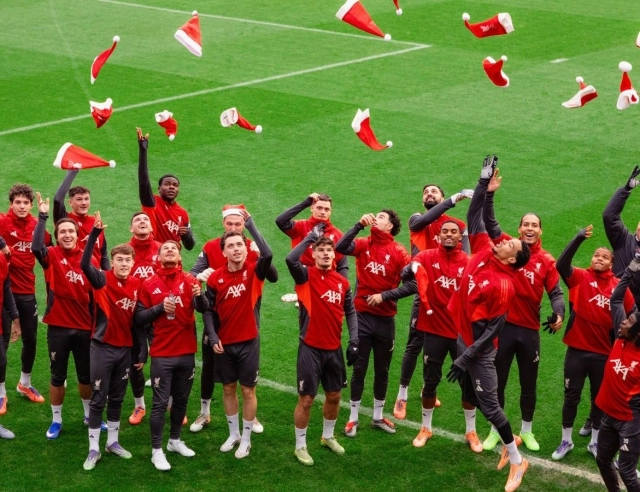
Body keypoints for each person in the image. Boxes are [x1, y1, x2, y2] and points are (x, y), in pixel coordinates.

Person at [446, 156, 531, 492]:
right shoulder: (485, 249)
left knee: (491, 408)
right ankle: (512, 446)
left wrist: (466, 356)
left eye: (511, 243)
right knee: (479, 401)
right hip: (463, 338)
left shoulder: (503, 284)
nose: (505, 239)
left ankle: (517, 460)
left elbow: (494, 329)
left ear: (512, 259)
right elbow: (474, 216)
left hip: (478, 351)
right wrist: (482, 183)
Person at [481, 170, 565, 451]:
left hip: (529, 331)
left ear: (541, 231)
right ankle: (496, 430)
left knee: (529, 383)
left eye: (535, 225)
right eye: (525, 224)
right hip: (501, 328)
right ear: (519, 230)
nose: (530, 228)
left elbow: (556, 292)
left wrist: (559, 314)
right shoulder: (509, 246)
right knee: (498, 381)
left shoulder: (547, 261)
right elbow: (491, 224)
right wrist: (489, 194)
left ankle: (527, 431)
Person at [189, 204, 276, 434]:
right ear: (223, 224)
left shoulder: (251, 247)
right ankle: (205, 412)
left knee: (247, 381)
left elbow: (272, 274)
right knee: (210, 366)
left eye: (238, 224)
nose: (234, 227)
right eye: (230, 223)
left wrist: (259, 248)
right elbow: (191, 276)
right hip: (216, 320)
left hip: (244, 319)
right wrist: (199, 276)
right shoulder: (211, 247)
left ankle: (250, 418)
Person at [552, 225, 634, 461]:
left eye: (604, 257)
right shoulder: (580, 277)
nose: (599, 258)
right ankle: (566, 440)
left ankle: (595, 442)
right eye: (596, 255)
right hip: (577, 352)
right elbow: (561, 265)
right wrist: (578, 239)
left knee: (599, 399)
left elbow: (632, 315)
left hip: (604, 354)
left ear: (611, 264)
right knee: (571, 395)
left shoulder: (619, 287)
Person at [399, 220, 482, 451]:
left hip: (461, 335)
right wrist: (411, 268)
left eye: (453, 232)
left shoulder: (468, 262)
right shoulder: (425, 257)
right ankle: (426, 428)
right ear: (439, 235)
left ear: (459, 236)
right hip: (434, 332)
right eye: (445, 231)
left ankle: (471, 431)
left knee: (467, 384)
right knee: (430, 382)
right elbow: (406, 273)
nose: (448, 234)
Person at [393, 184, 472, 419]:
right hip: (423, 291)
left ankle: (427, 389)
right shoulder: (417, 219)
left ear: (441, 196)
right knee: (415, 343)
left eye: (434, 192)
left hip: (448, 293)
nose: (429, 194)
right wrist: (453, 200)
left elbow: (465, 256)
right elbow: (422, 222)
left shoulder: (457, 226)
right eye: (426, 192)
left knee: (447, 344)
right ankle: (402, 395)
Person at [32, 193, 105, 439]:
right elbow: (35, 247)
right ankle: (56, 420)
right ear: (57, 235)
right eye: (62, 231)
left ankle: (89, 416)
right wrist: (42, 216)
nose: (66, 235)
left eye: (70, 231)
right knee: (57, 376)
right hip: (58, 327)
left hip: (85, 327)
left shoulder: (89, 258)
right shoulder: (51, 255)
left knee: (86, 376)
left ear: (77, 235)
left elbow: (97, 294)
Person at [334, 210, 410, 437]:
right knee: (359, 367)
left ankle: (377, 417)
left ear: (390, 226)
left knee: (382, 370)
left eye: (381, 217)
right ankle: (353, 418)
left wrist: (385, 296)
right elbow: (340, 247)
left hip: (385, 320)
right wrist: (358, 225)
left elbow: (414, 284)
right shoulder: (363, 243)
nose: (376, 218)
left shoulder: (399, 252)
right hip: (362, 317)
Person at [287, 227, 358, 466]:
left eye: (329, 250)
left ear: (334, 255)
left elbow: (350, 311)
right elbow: (290, 259)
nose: (326, 254)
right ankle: (300, 446)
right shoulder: (305, 276)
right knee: (306, 399)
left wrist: (354, 340)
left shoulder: (342, 283)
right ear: (314, 254)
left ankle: (328, 436)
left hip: (333, 348)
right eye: (321, 250)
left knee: (334, 396)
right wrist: (310, 237)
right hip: (310, 348)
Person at [134, 240, 208, 472]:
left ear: (179, 257)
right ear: (158, 257)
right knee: (159, 404)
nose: (169, 250)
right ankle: (157, 451)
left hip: (186, 352)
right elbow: (139, 318)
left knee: (181, 401)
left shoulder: (190, 281)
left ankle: (174, 441)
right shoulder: (148, 284)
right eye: (165, 248)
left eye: (174, 249)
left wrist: (200, 295)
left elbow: (203, 308)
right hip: (162, 353)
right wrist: (159, 309)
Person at [80, 214, 145, 470]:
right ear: (113, 262)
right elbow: (85, 264)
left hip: (124, 350)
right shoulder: (102, 279)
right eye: (120, 259)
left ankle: (113, 443)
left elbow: (138, 321)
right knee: (99, 398)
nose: (124, 263)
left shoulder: (138, 284)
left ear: (133, 263)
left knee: (117, 398)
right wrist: (94, 236)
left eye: (128, 260)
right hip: (102, 348)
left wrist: (142, 350)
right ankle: (93, 448)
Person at [0, 183, 50, 406]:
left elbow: (49, 250)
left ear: (31, 205)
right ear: (11, 204)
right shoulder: (3, 222)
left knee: (31, 339)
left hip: (27, 290)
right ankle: (1, 392)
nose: (21, 206)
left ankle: (25, 383)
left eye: (25, 203)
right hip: (4, 292)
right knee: (2, 343)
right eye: (17, 202)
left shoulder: (37, 225)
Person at [596, 257, 640, 492]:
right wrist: (631, 269)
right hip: (609, 417)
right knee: (602, 460)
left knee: (627, 471)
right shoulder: (620, 339)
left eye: (629, 321)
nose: (623, 322)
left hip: (630, 423)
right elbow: (616, 299)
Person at [276, 192, 348, 303]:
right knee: (307, 312)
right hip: (305, 280)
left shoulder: (338, 235)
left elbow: (342, 265)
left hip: (328, 284)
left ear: (330, 212)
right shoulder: (301, 227)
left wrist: (342, 288)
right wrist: (305, 203)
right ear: (312, 208)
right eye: (319, 208)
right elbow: (280, 221)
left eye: (326, 209)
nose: (323, 212)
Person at [126, 211, 162, 426]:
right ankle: (139, 405)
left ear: (151, 227)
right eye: (137, 220)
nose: (142, 222)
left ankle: (167, 403)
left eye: (145, 219)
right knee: (136, 362)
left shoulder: (162, 249)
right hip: (132, 314)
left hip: (158, 313)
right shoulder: (125, 251)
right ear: (131, 228)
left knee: (162, 360)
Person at [137, 128, 195, 249]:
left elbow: (190, 246)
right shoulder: (152, 202)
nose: (171, 187)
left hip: (172, 256)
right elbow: (143, 182)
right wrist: (143, 151)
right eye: (167, 184)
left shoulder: (182, 213)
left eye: (175, 185)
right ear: (159, 188)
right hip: (153, 254)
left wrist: (186, 235)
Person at [53, 171, 109, 270]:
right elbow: (58, 200)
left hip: (93, 274)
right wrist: (72, 172)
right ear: (70, 202)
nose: (84, 203)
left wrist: (108, 275)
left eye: (86, 199)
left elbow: (103, 255)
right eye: (79, 199)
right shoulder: (65, 220)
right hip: (72, 272)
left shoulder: (96, 222)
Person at [0, 245, 21, 417]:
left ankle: (1, 394)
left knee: (1, 360)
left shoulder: (1, 260)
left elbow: (6, 289)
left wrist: (15, 318)